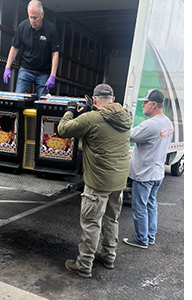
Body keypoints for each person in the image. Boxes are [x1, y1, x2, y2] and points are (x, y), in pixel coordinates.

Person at [58, 84, 132, 278]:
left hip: (98, 182)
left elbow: (63, 130)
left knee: (91, 224)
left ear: (95, 100)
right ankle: (108, 256)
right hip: (119, 181)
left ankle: (84, 265)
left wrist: (70, 111)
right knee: (111, 220)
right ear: (113, 100)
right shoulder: (126, 117)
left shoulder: (91, 118)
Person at [123, 89, 173, 249]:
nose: (143, 105)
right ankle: (150, 236)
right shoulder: (167, 123)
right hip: (157, 173)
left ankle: (142, 240)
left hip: (144, 175)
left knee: (139, 207)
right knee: (151, 204)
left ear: (153, 104)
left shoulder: (150, 125)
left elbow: (127, 136)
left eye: (145, 102)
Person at [3, 0, 60, 99]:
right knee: (18, 98)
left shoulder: (51, 30)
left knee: (41, 103)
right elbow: (15, 48)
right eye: (30, 17)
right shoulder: (23, 27)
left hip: (43, 72)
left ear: (42, 15)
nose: (32, 20)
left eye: (35, 18)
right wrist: (7, 67)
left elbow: (55, 53)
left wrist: (52, 75)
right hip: (26, 69)